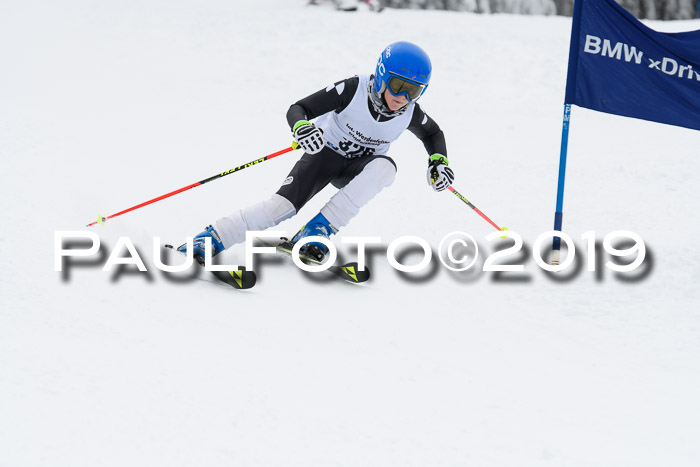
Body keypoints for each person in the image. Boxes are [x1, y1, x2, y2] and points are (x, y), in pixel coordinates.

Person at [178, 41, 454, 262]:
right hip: (324, 156)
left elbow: (433, 133)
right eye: (398, 86)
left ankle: (317, 231)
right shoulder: (353, 88)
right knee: (279, 209)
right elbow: (299, 109)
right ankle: (211, 238)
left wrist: (438, 162)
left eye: (414, 91)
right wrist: (302, 128)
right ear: (382, 75)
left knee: (386, 167)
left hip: (357, 170)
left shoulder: (410, 113)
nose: (402, 98)